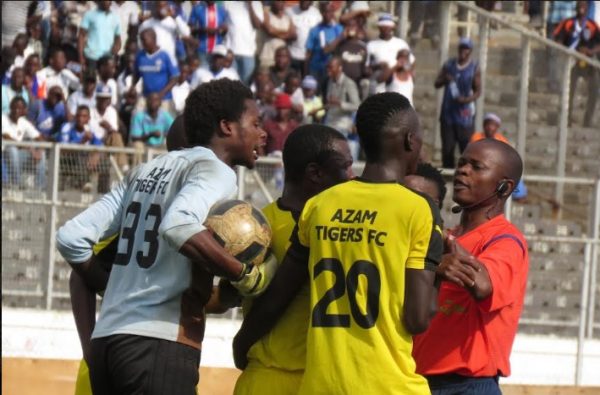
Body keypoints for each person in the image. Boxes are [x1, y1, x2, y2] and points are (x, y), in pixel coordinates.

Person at [55, 79, 276, 395]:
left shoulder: (144, 170)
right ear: (227, 127)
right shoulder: (215, 170)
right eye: (255, 123)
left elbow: (70, 237)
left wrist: (113, 288)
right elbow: (178, 226)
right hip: (158, 345)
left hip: (108, 342)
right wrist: (243, 274)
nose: (263, 133)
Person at [233, 92, 443, 394]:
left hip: (322, 386)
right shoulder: (418, 209)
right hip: (388, 385)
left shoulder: (320, 205)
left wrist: (243, 342)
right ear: (410, 141)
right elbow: (417, 318)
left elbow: (281, 292)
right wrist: (439, 275)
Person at [233, 124, 354, 395]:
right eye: (345, 167)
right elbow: (250, 298)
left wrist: (241, 345)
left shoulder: (257, 223)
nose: (352, 176)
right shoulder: (260, 228)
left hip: (299, 380)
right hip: (283, 377)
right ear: (315, 173)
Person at [413, 139, 529, 395]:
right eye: (462, 163)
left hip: (468, 386)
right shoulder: (446, 237)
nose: (463, 170)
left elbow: (484, 285)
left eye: (477, 167)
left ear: (504, 187)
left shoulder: (506, 240)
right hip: (419, 382)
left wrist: (435, 260)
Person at [435, 37, 481, 169]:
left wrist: (465, 100)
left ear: (470, 51)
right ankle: (448, 178)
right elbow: (436, 84)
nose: (463, 51)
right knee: (447, 149)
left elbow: (478, 91)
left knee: (465, 149)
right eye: (461, 48)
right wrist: (445, 78)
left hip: (464, 115)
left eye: (466, 49)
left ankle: (465, 176)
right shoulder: (449, 65)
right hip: (448, 113)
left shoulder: (474, 68)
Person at [553, 0, 600, 127]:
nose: (581, 7)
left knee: (594, 90)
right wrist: (566, 51)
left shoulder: (592, 25)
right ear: (576, 7)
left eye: (584, 5)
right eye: (579, 5)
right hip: (572, 61)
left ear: (587, 7)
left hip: (588, 62)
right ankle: (566, 120)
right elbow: (557, 38)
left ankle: (587, 121)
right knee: (569, 91)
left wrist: (590, 50)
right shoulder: (568, 23)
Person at [470, 113, 528, 201]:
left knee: (513, 174)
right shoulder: (477, 137)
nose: (490, 127)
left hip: (497, 167)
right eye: (488, 124)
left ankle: (519, 196)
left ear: (497, 127)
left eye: (493, 125)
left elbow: (508, 157)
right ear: (484, 125)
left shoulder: (502, 140)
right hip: (481, 166)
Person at [132, 28, 180, 115]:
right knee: (136, 115)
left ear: (153, 39)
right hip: (145, 97)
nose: (142, 43)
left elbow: (175, 77)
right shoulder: (140, 56)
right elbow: (136, 74)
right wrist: (132, 87)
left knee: (169, 124)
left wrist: (161, 94)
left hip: (164, 98)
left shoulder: (165, 55)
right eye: (141, 40)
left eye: (144, 40)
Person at [2, 96, 46, 189]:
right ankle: (16, 185)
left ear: (24, 110)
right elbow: (7, 138)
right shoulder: (3, 118)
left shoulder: (23, 122)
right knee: (12, 149)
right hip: (4, 154)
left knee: (42, 154)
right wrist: (30, 149)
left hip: (18, 155)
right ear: (10, 107)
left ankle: (39, 188)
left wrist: (39, 151)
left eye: (20, 108)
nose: (17, 110)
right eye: (15, 107)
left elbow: (40, 138)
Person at [367, 13, 415, 94]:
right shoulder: (371, 45)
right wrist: (378, 66)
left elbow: (411, 62)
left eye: (388, 26)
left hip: (398, 87)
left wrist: (404, 69)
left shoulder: (401, 43)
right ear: (379, 27)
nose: (386, 29)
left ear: (393, 27)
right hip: (380, 87)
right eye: (383, 26)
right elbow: (367, 67)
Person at [323, 56, 360, 159]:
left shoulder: (349, 83)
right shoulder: (329, 81)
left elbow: (357, 105)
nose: (328, 70)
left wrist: (340, 103)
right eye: (327, 67)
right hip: (330, 121)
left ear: (340, 68)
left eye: (331, 67)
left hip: (342, 124)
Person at [138, 0, 192, 65]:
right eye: (159, 6)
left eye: (164, 6)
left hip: (169, 63)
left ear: (167, 7)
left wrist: (174, 16)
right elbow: (140, 44)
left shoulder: (172, 22)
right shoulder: (147, 24)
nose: (162, 9)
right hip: (152, 63)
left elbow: (186, 33)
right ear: (154, 8)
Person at [224, 1, 263, 85]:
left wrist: (250, 5)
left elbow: (258, 25)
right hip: (231, 51)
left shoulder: (257, 4)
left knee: (245, 84)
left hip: (248, 52)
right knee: (230, 83)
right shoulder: (228, 2)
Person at [305, 2, 343, 85]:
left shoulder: (339, 29)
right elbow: (308, 53)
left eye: (330, 11)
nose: (327, 14)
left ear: (333, 12)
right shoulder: (315, 30)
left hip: (332, 69)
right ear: (321, 13)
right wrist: (306, 72)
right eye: (325, 11)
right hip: (316, 68)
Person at [78, 0, 122, 73]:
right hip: (91, 57)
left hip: (107, 58)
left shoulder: (115, 17)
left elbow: (118, 38)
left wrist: (117, 47)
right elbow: (81, 36)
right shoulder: (89, 15)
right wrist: (81, 58)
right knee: (91, 82)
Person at [286, 0, 322, 75]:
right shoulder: (289, 11)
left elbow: (320, 33)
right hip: (291, 54)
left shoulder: (316, 13)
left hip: (308, 56)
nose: (304, 2)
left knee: (305, 81)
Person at [189, 0, 229, 67]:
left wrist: (224, 29)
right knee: (203, 75)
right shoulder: (197, 8)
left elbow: (225, 30)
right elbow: (189, 29)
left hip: (217, 51)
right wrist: (203, 30)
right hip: (202, 50)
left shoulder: (221, 10)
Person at [259, 1, 296, 69]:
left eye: (282, 2)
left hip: (282, 58)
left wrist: (275, 32)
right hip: (268, 56)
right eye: (277, 1)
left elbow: (293, 35)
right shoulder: (266, 15)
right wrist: (285, 33)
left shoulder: (288, 18)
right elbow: (269, 30)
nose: (280, 3)